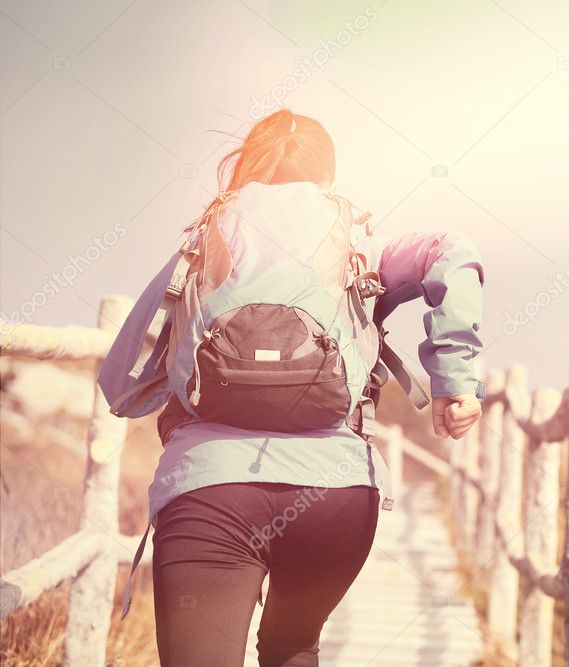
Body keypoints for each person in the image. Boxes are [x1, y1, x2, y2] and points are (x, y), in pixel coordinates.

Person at [98, 109, 485, 666]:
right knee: (292, 646)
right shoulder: (356, 243)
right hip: (337, 497)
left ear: (247, 167)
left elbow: (122, 388)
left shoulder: (204, 242)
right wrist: (452, 379)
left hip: (210, 489)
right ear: (328, 177)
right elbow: (454, 249)